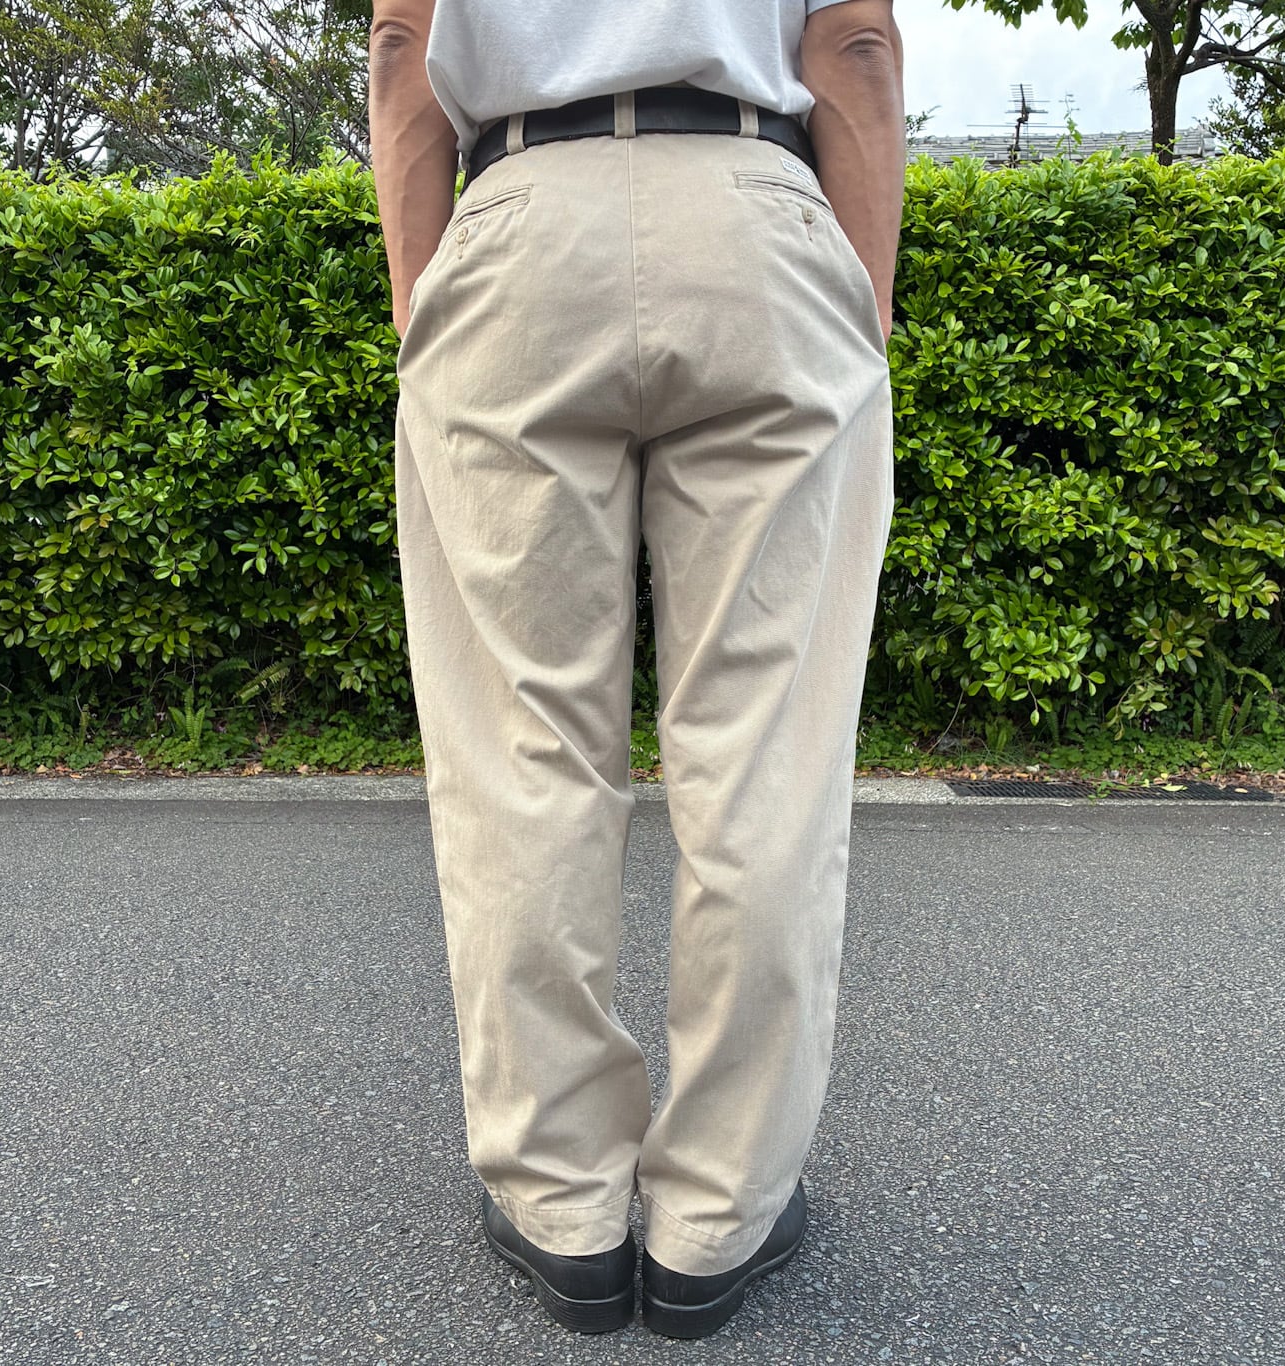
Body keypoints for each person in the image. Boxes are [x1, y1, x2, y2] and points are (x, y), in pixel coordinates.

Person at [368, 0, 904, 1340]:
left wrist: (422, 305)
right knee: (767, 754)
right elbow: (850, 41)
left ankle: (564, 1207)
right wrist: (861, 308)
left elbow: (402, 45)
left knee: (522, 755)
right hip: (757, 213)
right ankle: (719, 1217)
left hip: (520, 216)